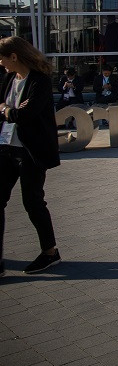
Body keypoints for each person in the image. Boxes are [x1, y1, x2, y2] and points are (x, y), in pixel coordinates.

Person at [0, 37, 62, 275]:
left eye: (3, 58)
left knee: (33, 202)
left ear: (14, 56)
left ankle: (49, 252)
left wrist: (6, 110)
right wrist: (11, 111)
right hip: (5, 148)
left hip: (30, 152)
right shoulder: (7, 78)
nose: (1, 62)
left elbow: (27, 115)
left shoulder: (40, 81)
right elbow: (14, 112)